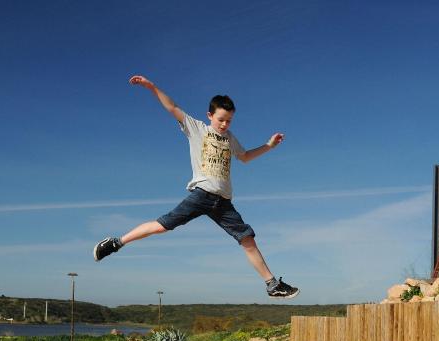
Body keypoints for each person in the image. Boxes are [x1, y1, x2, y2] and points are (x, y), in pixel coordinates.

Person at [93, 75, 299, 299]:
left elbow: (246, 157)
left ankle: (271, 284)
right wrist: (151, 86)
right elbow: (172, 107)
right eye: (221, 119)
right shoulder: (196, 128)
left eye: (229, 121)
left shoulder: (230, 139)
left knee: (247, 239)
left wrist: (269, 146)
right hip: (201, 195)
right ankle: (116, 242)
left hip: (223, 202)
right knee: (162, 226)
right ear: (210, 115)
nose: (224, 124)